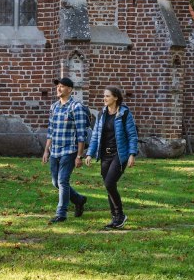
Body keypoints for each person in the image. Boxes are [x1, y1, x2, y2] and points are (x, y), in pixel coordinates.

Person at [85, 86, 139, 229]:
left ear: (116, 97)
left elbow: (132, 136)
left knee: (109, 183)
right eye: (104, 96)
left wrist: (132, 154)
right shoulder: (102, 114)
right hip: (105, 155)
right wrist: (90, 153)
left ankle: (120, 215)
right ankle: (116, 217)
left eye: (107, 96)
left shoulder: (124, 113)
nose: (104, 98)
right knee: (109, 186)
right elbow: (96, 135)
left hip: (120, 154)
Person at [41, 77, 89, 224]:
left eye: (62, 86)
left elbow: (81, 133)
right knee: (56, 182)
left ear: (69, 89)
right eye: (58, 86)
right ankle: (79, 200)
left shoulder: (76, 107)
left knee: (62, 180)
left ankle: (61, 213)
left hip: (70, 150)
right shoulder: (54, 107)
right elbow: (51, 130)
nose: (59, 88)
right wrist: (46, 150)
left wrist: (79, 156)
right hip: (55, 150)